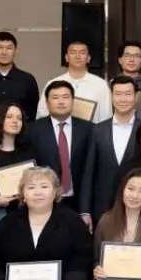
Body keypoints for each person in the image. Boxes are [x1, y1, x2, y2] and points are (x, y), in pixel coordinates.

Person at [25, 80, 95, 221]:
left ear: (73, 100)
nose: (61, 101)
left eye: (65, 97)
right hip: (45, 201)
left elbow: (91, 169)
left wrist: (85, 210)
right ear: (47, 102)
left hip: (78, 202)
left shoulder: (89, 129)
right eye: (55, 98)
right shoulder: (32, 130)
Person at [89, 76, 141, 219]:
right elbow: (88, 173)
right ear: (112, 97)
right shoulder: (97, 130)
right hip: (102, 206)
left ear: (135, 97)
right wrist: (85, 210)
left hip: (138, 206)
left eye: (128, 94)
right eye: (118, 94)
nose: (123, 99)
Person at [37, 39, 112, 123]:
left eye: (82, 53)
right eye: (73, 52)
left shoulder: (100, 84)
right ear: (66, 58)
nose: (77, 56)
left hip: (92, 134)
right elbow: (42, 114)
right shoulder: (53, 83)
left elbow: (106, 116)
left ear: (88, 58)